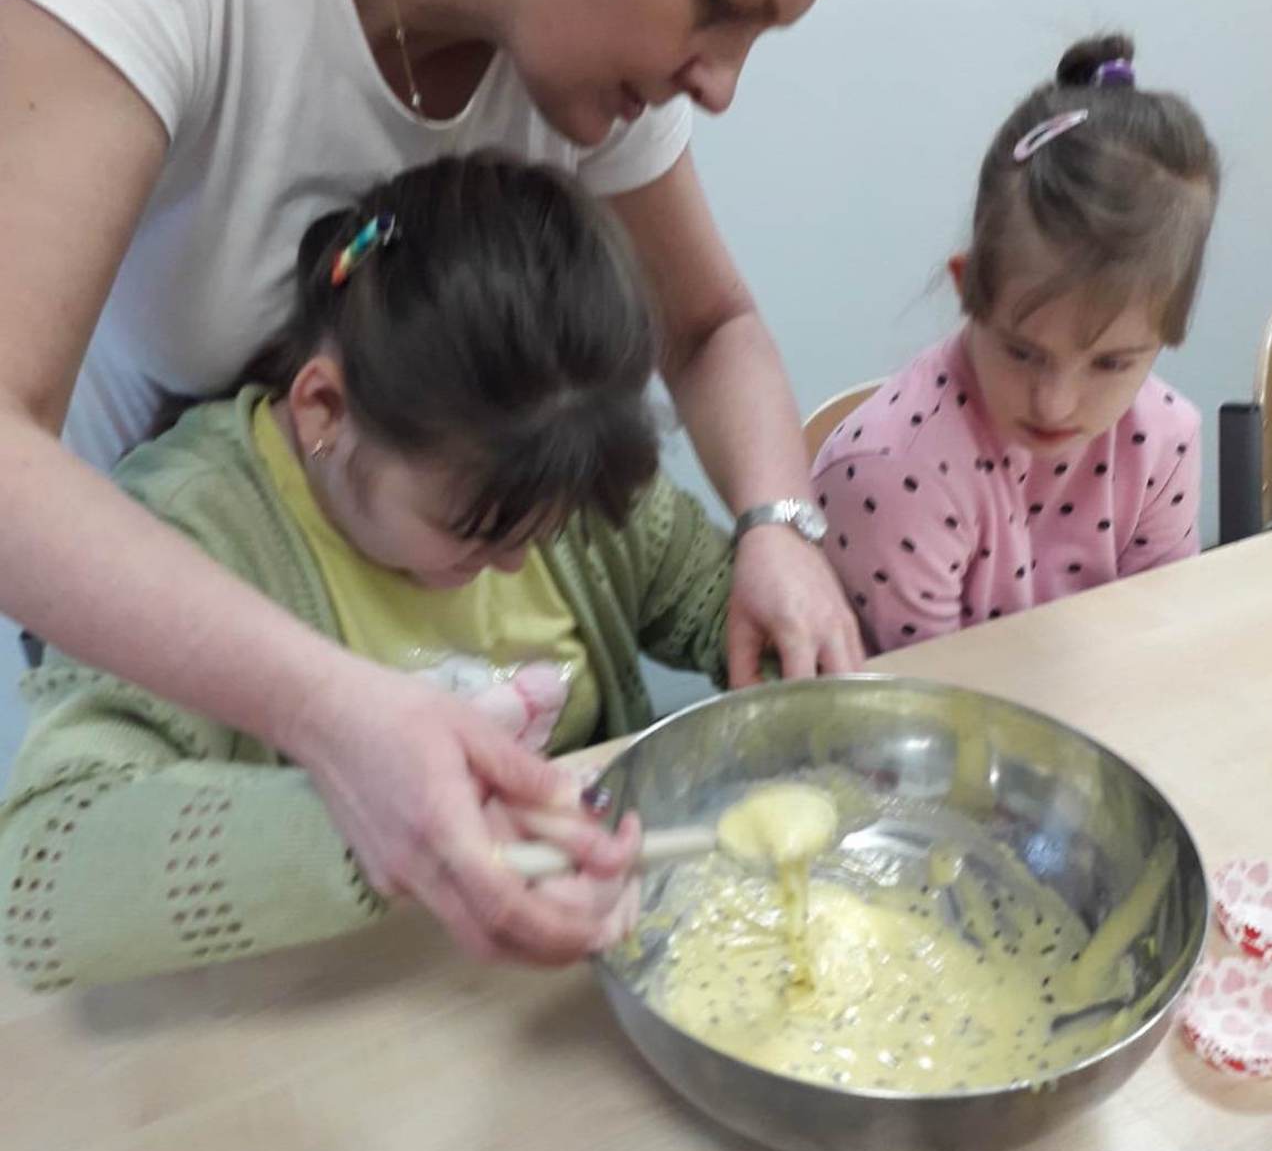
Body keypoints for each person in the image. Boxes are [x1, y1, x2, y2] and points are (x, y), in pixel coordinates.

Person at [0, 0, 936, 966]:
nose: (721, 85)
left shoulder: (583, 55)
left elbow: (708, 326)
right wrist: (336, 742)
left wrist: (777, 526)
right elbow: (47, 879)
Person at [0, 154, 743, 992]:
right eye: (472, 532)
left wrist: (786, 584)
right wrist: (378, 834)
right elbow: (40, 877)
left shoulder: (556, 458)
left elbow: (715, 604)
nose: (515, 562)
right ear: (323, 410)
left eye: (550, 528)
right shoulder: (189, 532)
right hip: (323, 1008)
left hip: (543, 994)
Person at [813, 34, 1220, 654]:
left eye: (1110, 363)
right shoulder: (892, 472)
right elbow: (929, 699)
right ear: (968, 287)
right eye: (1023, 352)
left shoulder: (1165, 439)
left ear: (1168, 333)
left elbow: (1155, 648)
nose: (1055, 403)